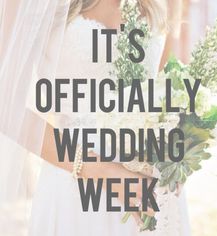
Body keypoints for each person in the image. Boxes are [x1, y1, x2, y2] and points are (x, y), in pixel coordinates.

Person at [0, 0, 190, 235]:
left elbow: (168, 87)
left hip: (151, 190)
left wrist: (177, 158)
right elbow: (6, 106)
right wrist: (104, 171)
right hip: (76, 186)